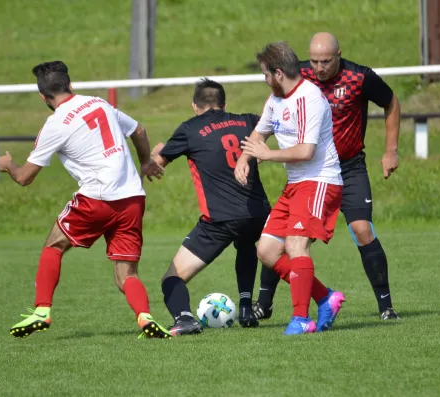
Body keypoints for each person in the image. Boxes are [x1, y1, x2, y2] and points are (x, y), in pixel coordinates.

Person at [0, 61, 171, 339]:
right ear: (70, 85)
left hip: (97, 198)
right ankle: (145, 317)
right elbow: (139, 131)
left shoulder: (54, 124)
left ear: (43, 97)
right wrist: (145, 162)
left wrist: (7, 164)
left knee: (54, 245)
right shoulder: (98, 103)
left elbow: (24, 177)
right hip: (132, 199)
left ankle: (42, 310)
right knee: (126, 272)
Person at [253, 32, 401, 321]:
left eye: (326, 61)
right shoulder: (299, 76)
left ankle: (386, 306)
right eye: (315, 61)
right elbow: (274, 113)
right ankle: (264, 303)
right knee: (280, 239)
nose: (319, 68)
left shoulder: (360, 77)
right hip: (308, 171)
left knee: (361, 229)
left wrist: (391, 150)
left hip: (348, 166)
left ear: (339, 55)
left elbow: (391, 102)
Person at [235, 42, 346, 335]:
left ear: (279, 73)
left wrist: (267, 156)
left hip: (320, 180)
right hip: (296, 184)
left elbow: (307, 151)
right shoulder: (275, 100)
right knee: (267, 251)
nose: (265, 80)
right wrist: (244, 159)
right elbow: (260, 131)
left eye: (265, 75)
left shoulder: (310, 98)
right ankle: (325, 297)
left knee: (296, 245)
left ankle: (301, 318)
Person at [151, 78, 271, 336]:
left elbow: (157, 165)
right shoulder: (249, 121)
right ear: (224, 104)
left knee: (172, 278)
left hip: (219, 221)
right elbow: (267, 139)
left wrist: (155, 153)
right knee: (247, 245)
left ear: (195, 106)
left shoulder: (189, 128)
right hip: (258, 213)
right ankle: (247, 308)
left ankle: (184, 319)